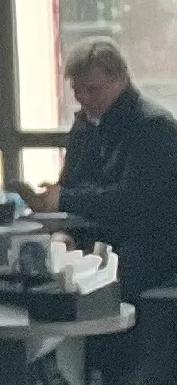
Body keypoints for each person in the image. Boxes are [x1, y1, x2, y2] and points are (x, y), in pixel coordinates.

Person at [40, 35, 177, 314]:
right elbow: (72, 184)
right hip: (102, 242)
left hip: (148, 249)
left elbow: (133, 203)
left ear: (121, 80)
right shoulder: (85, 127)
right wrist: (64, 231)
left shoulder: (154, 128)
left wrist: (64, 201)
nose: (83, 99)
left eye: (93, 90)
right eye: (77, 91)